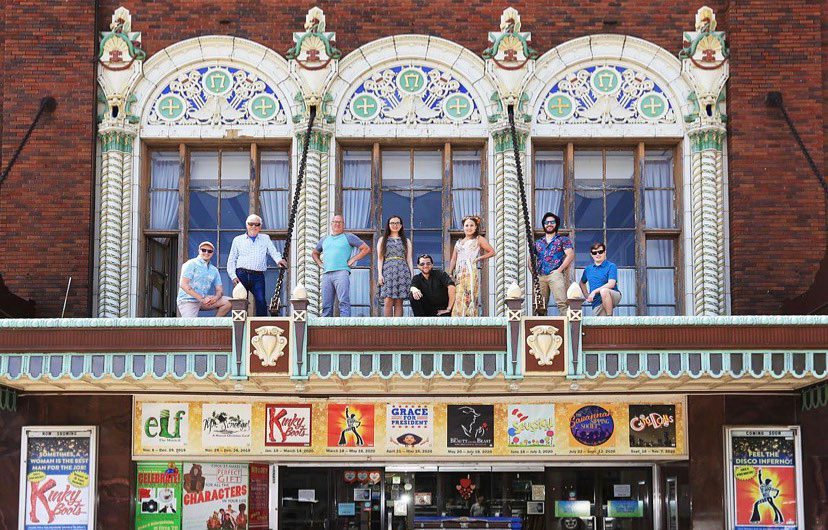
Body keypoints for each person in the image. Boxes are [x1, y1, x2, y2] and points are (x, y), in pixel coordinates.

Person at [227, 214, 288, 317]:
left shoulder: (265, 238)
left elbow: (273, 251)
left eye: (257, 224)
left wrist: (279, 260)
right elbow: (231, 260)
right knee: (240, 301)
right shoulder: (237, 239)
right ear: (246, 225)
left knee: (261, 301)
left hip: (258, 276)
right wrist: (233, 276)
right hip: (241, 274)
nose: (254, 227)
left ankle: (261, 324)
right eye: (251, 224)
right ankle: (240, 325)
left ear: (260, 227)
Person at [312, 214, 371, 317]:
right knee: (326, 304)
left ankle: (345, 326)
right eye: (335, 222)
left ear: (343, 224)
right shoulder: (324, 239)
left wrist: (353, 259)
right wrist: (320, 264)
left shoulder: (349, 237)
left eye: (340, 222)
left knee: (343, 301)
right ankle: (325, 328)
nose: (337, 224)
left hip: (341, 272)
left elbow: (366, 249)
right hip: (326, 274)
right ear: (331, 224)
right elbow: (314, 253)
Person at [447, 215, 495, 316]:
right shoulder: (459, 242)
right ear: (463, 227)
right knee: (459, 294)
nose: (469, 228)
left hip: (470, 270)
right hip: (460, 272)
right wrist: (450, 272)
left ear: (476, 227)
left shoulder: (478, 239)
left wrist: (479, 258)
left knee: (470, 293)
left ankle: (471, 317)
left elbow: (492, 252)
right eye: (467, 225)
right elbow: (453, 259)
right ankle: (459, 317)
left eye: (471, 225)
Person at [177, 241, 232, 317]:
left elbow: (219, 290)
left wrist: (215, 298)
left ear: (212, 253)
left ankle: (214, 325)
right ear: (199, 251)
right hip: (188, 300)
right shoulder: (191, 264)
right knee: (191, 327)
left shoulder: (214, 270)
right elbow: (183, 284)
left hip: (204, 299)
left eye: (209, 251)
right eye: (203, 250)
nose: (206, 253)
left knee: (229, 301)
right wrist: (202, 299)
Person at [534, 212, 574, 315]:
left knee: (562, 302)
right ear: (543, 224)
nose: (549, 224)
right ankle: (540, 328)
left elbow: (570, 255)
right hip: (541, 276)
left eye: (552, 222)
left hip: (555, 274)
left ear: (556, 224)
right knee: (540, 306)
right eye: (547, 222)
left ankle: (566, 329)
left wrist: (559, 270)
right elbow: (530, 259)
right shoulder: (538, 242)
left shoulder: (563, 240)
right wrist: (534, 273)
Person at [377, 215, 413, 317]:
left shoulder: (406, 241)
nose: (395, 225)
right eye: (392, 223)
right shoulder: (382, 240)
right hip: (388, 271)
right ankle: (387, 328)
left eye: (397, 223)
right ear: (388, 225)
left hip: (402, 271)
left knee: (399, 301)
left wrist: (411, 275)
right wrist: (380, 274)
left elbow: (409, 259)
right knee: (388, 299)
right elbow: (380, 259)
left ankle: (398, 328)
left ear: (401, 225)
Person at [579, 242, 622, 316]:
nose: (597, 254)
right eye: (594, 252)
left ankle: (610, 318)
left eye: (600, 252)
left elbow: (611, 284)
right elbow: (582, 283)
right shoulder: (588, 269)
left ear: (605, 253)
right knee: (599, 325)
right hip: (597, 302)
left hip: (612, 295)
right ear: (591, 255)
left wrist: (594, 292)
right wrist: (586, 295)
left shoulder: (611, 266)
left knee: (604, 291)